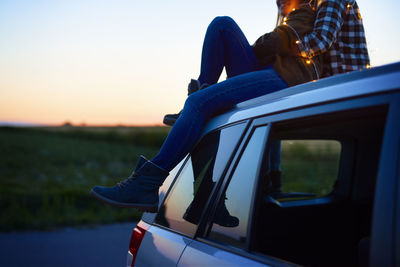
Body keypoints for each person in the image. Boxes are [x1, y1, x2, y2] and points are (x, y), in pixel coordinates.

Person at [90, 0, 367, 212]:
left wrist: (279, 41)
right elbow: (280, 44)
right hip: (282, 72)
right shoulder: (302, 9)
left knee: (198, 105)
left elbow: (317, 42)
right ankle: (203, 95)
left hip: (305, 81)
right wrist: (271, 43)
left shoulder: (320, 4)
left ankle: (148, 182)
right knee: (221, 25)